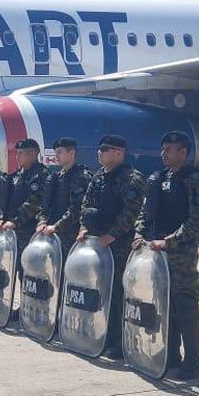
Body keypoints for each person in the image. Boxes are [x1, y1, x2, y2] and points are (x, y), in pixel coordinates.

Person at [134, 131, 199, 380]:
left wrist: (168, 242)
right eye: (163, 149)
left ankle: (192, 361)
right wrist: (139, 235)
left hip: (181, 253)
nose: (164, 154)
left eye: (170, 149)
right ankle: (171, 356)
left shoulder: (195, 180)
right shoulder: (158, 178)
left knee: (185, 306)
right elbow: (145, 213)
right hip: (156, 251)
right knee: (164, 306)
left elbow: (197, 222)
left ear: (183, 152)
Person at [78, 134, 145, 359]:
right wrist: (84, 228)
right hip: (97, 242)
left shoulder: (131, 178)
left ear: (119, 153)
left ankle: (119, 340)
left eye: (105, 149)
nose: (99, 153)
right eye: (99, 149)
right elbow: (87, 204)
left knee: (118, 294)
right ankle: (104, 334)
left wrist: (112, 235)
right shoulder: (98, 176)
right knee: (99, 290)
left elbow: (132, 211)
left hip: (119, 245)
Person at [37, 137, 90, 255]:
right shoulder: (55, 178)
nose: (56, 156)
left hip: (71, 236)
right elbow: (45, 205)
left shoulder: (81, 177)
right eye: (55, 153)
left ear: (72, 153)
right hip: (52, 234)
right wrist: (42, 222)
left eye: (60, 152)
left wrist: (56, 226)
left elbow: (77, 209)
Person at [0, 138, 49, 257]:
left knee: (27, 266)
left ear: (32, 154)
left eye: (21, 153)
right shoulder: (16, 175)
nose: (17, 156)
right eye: (17, 153)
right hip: (11, 229)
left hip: (28, 229)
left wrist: (15, 221)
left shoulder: (40, 175)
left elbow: (34, 203)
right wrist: (2, 218)